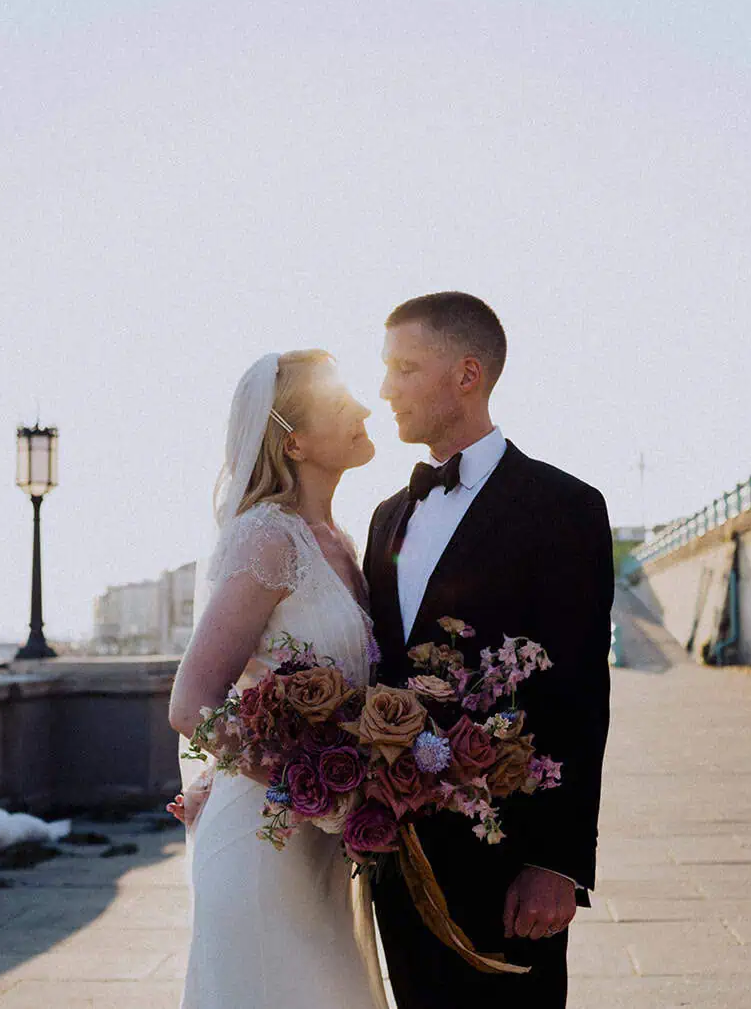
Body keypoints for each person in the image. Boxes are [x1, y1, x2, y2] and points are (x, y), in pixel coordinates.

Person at [364, 292, 614, 1009]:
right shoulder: (386, 516)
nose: (385, 389)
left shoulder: (565, 507)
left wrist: (557, 863)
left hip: (511, 866)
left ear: (466, 374)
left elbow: (579, 696)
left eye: (405, 368)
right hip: (398, 858)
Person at [167, 349, 390, 1009]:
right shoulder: (268, 538)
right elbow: (191, 702)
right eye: (340, 403)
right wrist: (313, 787)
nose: (364, 407)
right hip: (263, 848)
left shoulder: (339, 541)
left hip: (323, 852)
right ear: (293, 441)